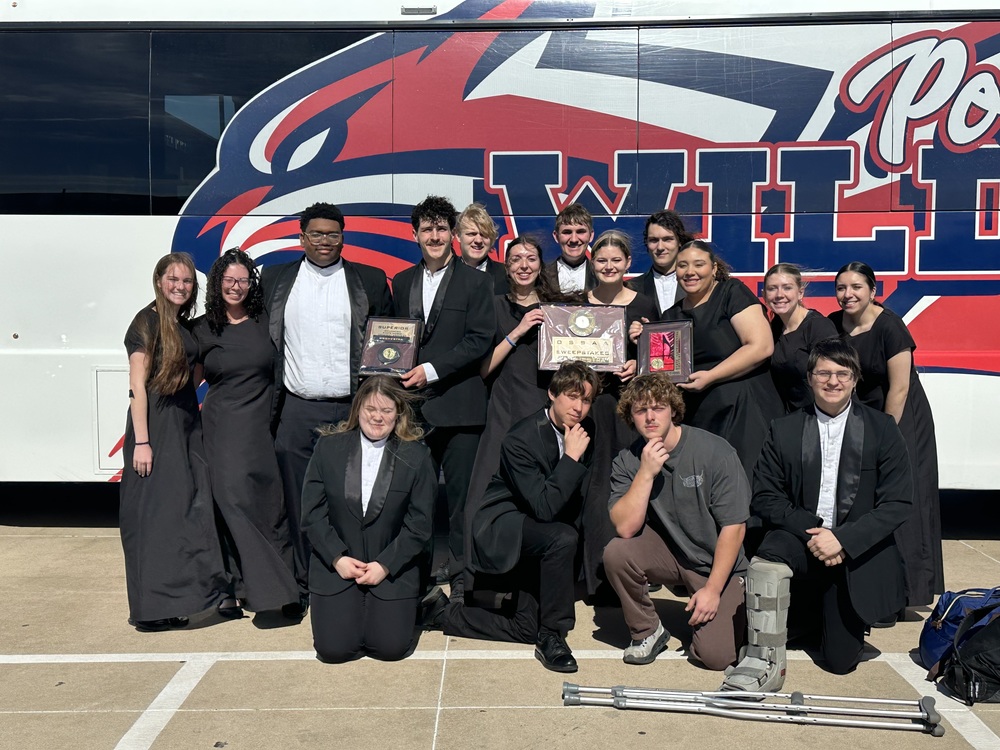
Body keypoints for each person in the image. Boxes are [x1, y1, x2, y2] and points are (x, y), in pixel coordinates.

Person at [721, 338, 913, 691]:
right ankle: (764, 658)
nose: (833, 381)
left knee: (840, 662)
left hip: (854, 551)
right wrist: (816, 531)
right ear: (809, 378)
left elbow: (898, 503)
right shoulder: (785, 428)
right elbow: (764, 496)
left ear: (855, 379)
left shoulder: (882, 428)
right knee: (768, 556)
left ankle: (814, 617)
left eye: (843, 373)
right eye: (823, 372)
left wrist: (842, 538)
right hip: (802, 539)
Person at [261, 202, 393, 617]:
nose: (324, 241)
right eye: (316, 234)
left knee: (353, 500)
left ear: (343, 236)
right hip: (296, 410)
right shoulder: (276, 279)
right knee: (299, 503)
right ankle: (303, 583)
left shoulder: (368, 281)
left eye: (332, 233)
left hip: (350, 410)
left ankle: (352, 579)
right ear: (301, 237)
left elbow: (388, 347)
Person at [437, 361, 601, 673]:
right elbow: (543, 507)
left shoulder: (583, 431)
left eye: (587, 400)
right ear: (552, 393)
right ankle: (553, 636)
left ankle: (442, 614)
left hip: (539, 528)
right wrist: (571, 457)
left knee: (527, 627)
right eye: (572, 396)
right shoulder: (521, 438)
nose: (579, 407)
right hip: (503, 522)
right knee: (562, 537)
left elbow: (574, 498)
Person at [603, 373, 749, 670]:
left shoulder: (714, 451)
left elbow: (734, 528)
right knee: (617, 552)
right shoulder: (629, 460)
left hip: (716, 564)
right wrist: (645, 473)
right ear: (631, 417)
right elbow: (625, 528)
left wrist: (712, 590)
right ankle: (647, 631)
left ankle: (719, 611)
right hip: (672, 555)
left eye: (658, 407)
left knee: (715, 657)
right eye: (640, 410)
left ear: (673, 409)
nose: (650, 417)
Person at [120, 253, 228, 632]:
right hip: (157, 427)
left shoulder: (181, 324)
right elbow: (137, 386)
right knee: (154, 519)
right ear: (159, 280)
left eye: (186, 282)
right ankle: (151, 610)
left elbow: (191, 374)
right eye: (173, 279)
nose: (180, 286)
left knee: (186, 512)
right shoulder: (146, 322)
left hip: (185, 423)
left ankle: (190, 597)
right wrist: (143, 443)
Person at [392, 195, 495, 590]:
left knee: (460, 504)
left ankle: (462, 582)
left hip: (461, 410)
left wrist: (431, 371)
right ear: (414, 233)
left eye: (441, 228)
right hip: (413, 412)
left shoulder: (477, 281)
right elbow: (391, 339)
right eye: (426, 228)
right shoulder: (401, 282)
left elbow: (480, 339)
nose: (434, 236)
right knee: (414, 501)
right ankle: (414, 580)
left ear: (453, 233)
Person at [829, 261, 943, 611]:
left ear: (873, 291)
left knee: (903, 498)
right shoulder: (835, 325)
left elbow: (900, 388)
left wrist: (886, 438)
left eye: (856, 287)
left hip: (901, 417)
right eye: (841, 288)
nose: (848, 295)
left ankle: (909, 593)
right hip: (864, 417)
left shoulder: (890, 326)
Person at [300, 376, 437, 663]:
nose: (377, 417)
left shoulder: (417, 456)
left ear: (398, 413)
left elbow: (420, 524)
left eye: (386, 411)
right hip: (337, 567)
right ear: (357, 409)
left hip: (390, 567)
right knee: (334, 651)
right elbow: (312, 513)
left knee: (390, 649)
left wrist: (385, 565)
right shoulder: (328, 448)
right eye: (370, 409)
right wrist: (337, 558)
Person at [193, 249, 299, 618]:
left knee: (270, 508)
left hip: (265, 428)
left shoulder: (266, 322)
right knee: (234, 507)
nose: (235, 287)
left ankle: (269, 586)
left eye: (242, 280)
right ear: (217, 282)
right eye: (229, 280)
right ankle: (262, 594)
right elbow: (184, 381)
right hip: (224, 431)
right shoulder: (202, 328)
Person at [463, 235, 581, 556]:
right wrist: (518, 330)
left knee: (550, 497)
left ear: (540, 265)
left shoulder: (560, 309)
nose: (523, 265)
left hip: (549, 415)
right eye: (516, 259)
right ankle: (475, 576)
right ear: (506, 266)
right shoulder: (494, 305)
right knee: (484, 494)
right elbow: (484, 369)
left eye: (530, 259)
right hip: (505, 412)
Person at [660, 240, 783, 480]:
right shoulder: (670, 316)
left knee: (746, 485)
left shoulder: (731, 292)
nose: (690, 272)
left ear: (714, 268)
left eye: (699, 264)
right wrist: (641, 337)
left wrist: (712, 376)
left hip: (744, 412)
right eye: (682, 265)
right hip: (699, 418)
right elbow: (663, 368)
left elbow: (761, 346)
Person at [580, 229, 660, 597]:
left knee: (630, 482)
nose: (608, 266)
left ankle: (632, 572)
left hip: (630, 409)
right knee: (594, 486)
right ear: (591, 262)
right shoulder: (577, 304)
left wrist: (637, 358)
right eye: (601, 260)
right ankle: (593, 573)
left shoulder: (644, 304)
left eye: (616, 260)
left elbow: (661, 360)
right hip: (592, 406)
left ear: (628, 263)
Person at [763, 263, 838, 413]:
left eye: (787, 287)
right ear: (764, 294)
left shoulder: (818, 327)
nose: (779, 294)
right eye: (772, 288)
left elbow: (835, 380)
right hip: (794, 421)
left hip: (824, 418)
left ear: (800, 292)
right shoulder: (773, 329)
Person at [627, 210, 693, 313]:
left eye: (667, 239)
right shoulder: (631, 288)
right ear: (647, 243)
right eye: (654, 240)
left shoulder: (695, 283)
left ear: (679, 242)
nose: (660, 247)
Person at [542, 203, 597, 293]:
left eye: (580, 232)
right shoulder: (542, 276)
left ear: (591, 235)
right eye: (567, 232)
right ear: (556, 237)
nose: (574, 239)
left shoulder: (601, 276)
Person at [457, 203, 508, 294]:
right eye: (472, 234)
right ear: (458, 235)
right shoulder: (445, 274)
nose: (478, 240)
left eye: (484, 235)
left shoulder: (506, 275)